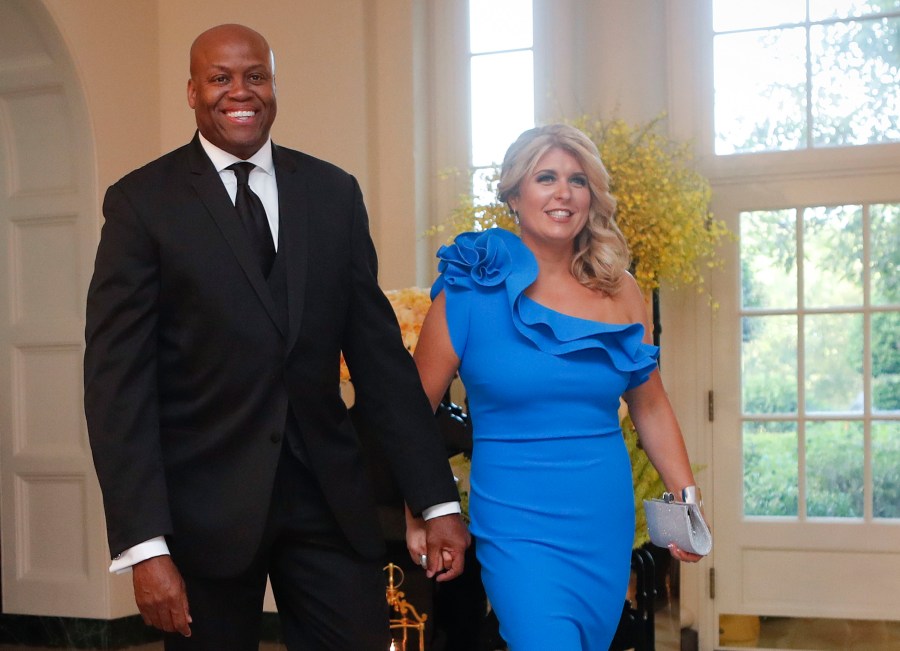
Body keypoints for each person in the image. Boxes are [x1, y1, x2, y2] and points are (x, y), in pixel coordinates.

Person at [83, 23, 468, 651]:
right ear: (191, 91)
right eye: (221, 78)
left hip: (328, 500)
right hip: (201, 512)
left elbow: (380, 362)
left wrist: (436, 500)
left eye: (255, 75)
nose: (241, 91)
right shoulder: (141, 204)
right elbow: (115, 388)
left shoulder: (333, 193)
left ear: (273, 86)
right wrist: (143, 546)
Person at [405, 123, 707, 650]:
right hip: (516, 521)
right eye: (546, 177)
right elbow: (407, 416)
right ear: (514, 194)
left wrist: (686, 501)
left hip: (601, 515)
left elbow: (651, 405)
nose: (563, 192)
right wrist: (421, 513)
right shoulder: (468, 291)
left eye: (578, 180)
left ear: (593, 198)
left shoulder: (622, 292)